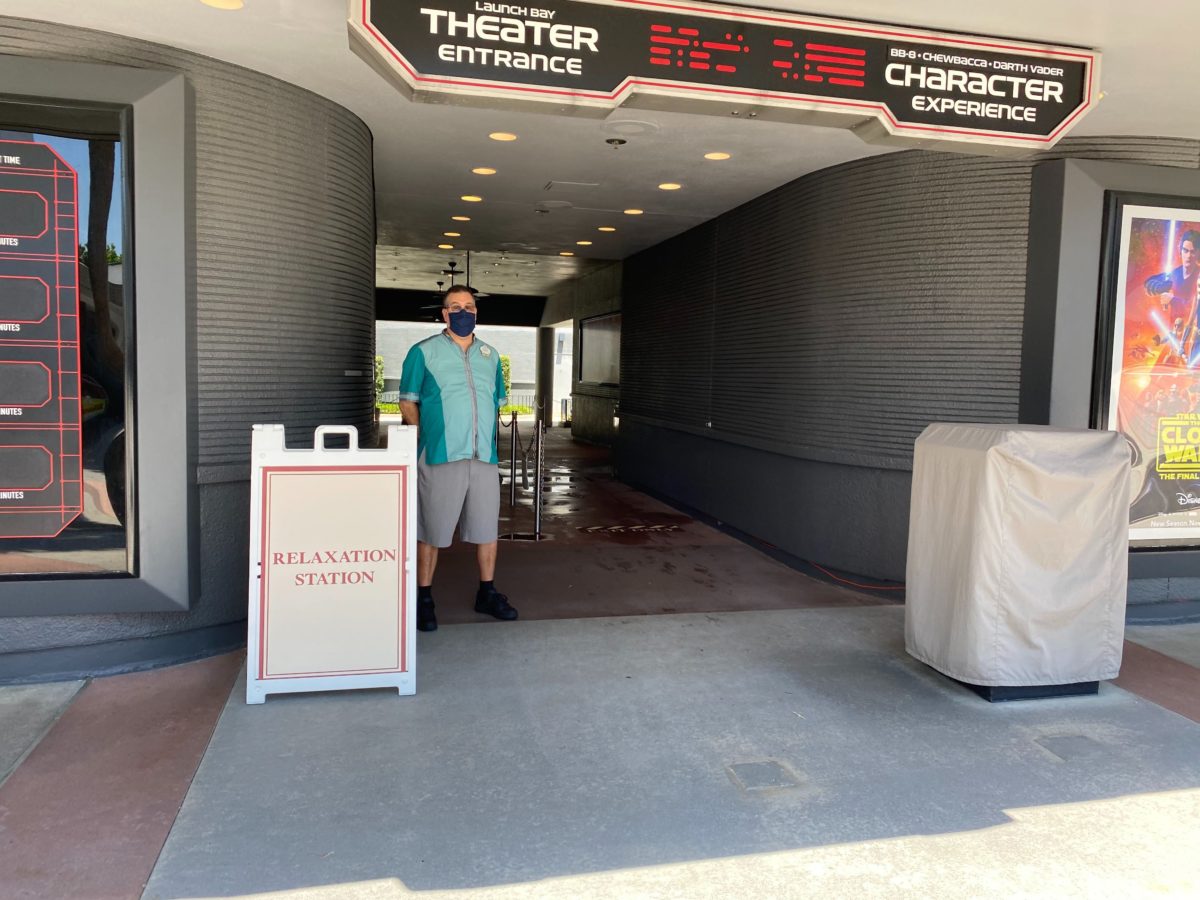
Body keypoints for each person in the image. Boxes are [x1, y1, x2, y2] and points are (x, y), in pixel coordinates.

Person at [397, 285, 518, 632]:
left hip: (484, 456)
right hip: (440, 455)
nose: (463, 312)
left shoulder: (490, 355)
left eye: (469, 306)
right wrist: (426, 436)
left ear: (476, 313)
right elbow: (408, 401)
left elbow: (496, 402)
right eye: (455, 307)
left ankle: (487, 592)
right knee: (431, 530)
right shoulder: (423, 352)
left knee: (486, 529)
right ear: (444, 313)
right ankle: (423, 598)